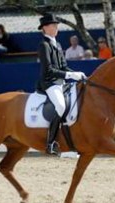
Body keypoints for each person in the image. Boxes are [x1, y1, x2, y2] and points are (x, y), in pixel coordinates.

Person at [37, 14, 86, 155]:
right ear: (45, 28)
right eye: (53, 25)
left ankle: (70, 142)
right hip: (49, 83)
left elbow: (63, 66)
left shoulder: (57, 45)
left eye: (56, 25)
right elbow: (49, 70)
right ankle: (50, 143)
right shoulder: (44, 45)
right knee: (61, 105)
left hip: (61, 83)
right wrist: (70, 75)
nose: (56, 27)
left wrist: (77, 74)